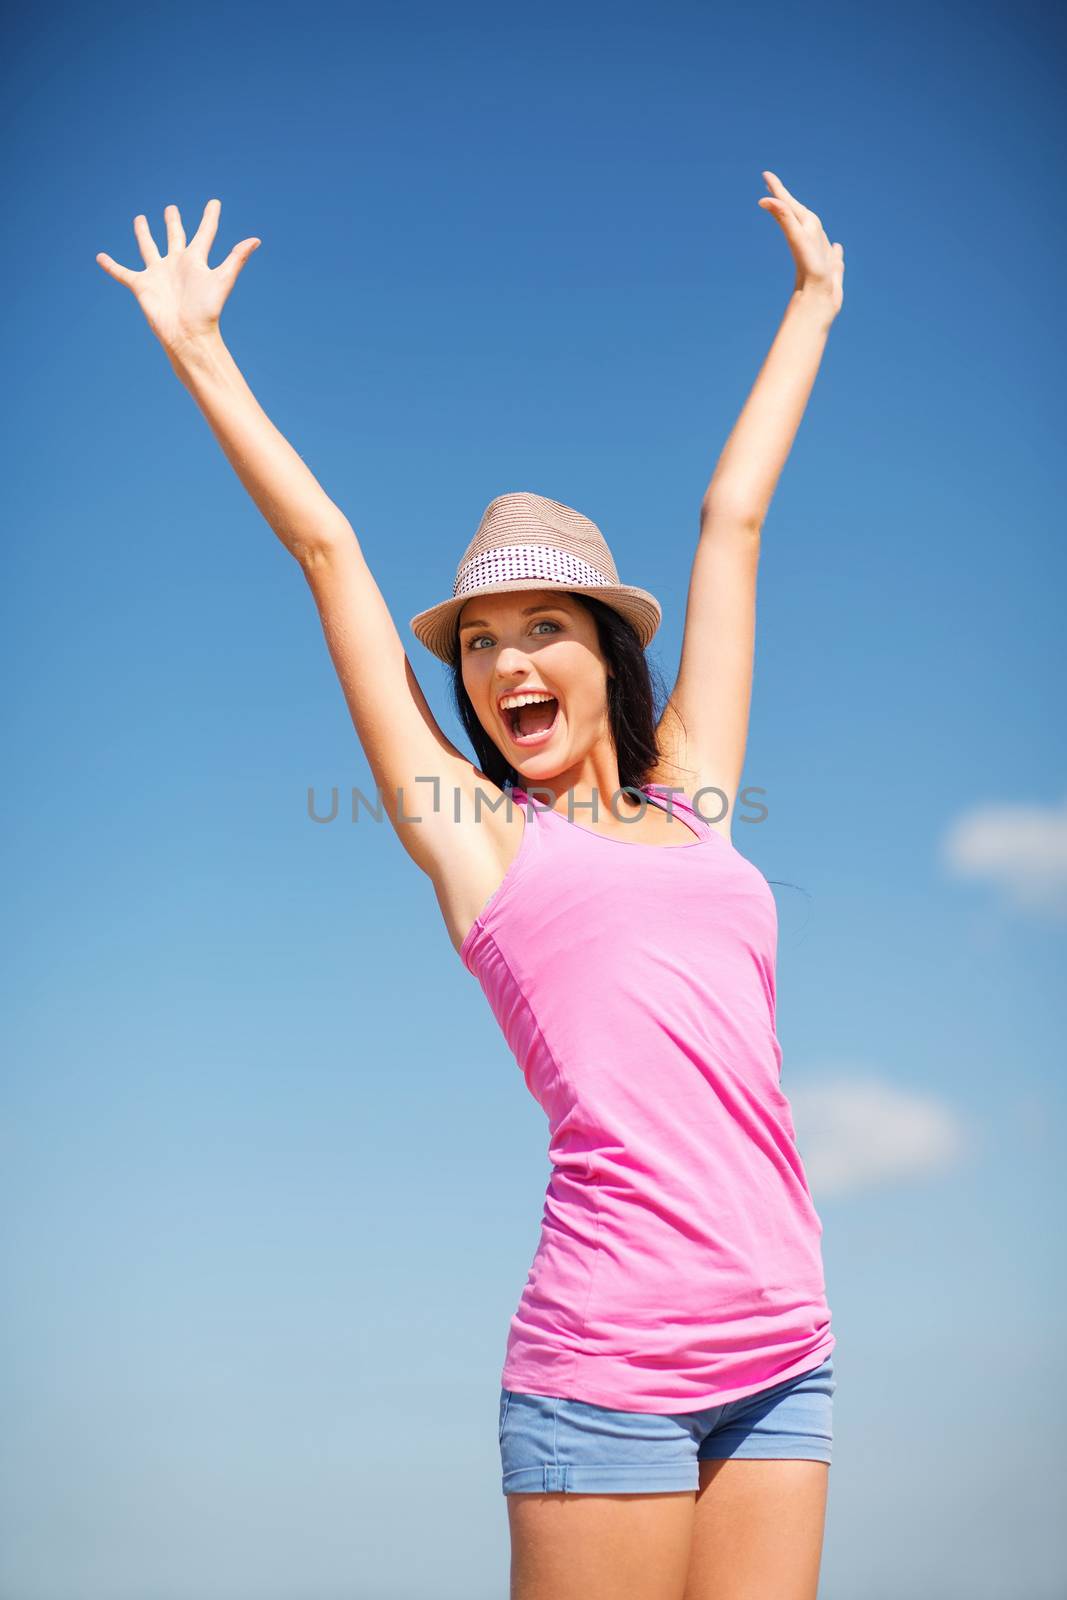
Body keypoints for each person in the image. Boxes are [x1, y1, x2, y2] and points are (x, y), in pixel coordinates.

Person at [96, 170, 846, 1600]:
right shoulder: (478, 838)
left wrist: (814, 301)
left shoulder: (695, 800)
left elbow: (732, 519)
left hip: (785, 1347)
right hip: (607, 1364)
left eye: (543, 629)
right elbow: (330, 556)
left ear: (605, 655)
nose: (505, 665)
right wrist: (199, 349)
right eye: (482, 642)